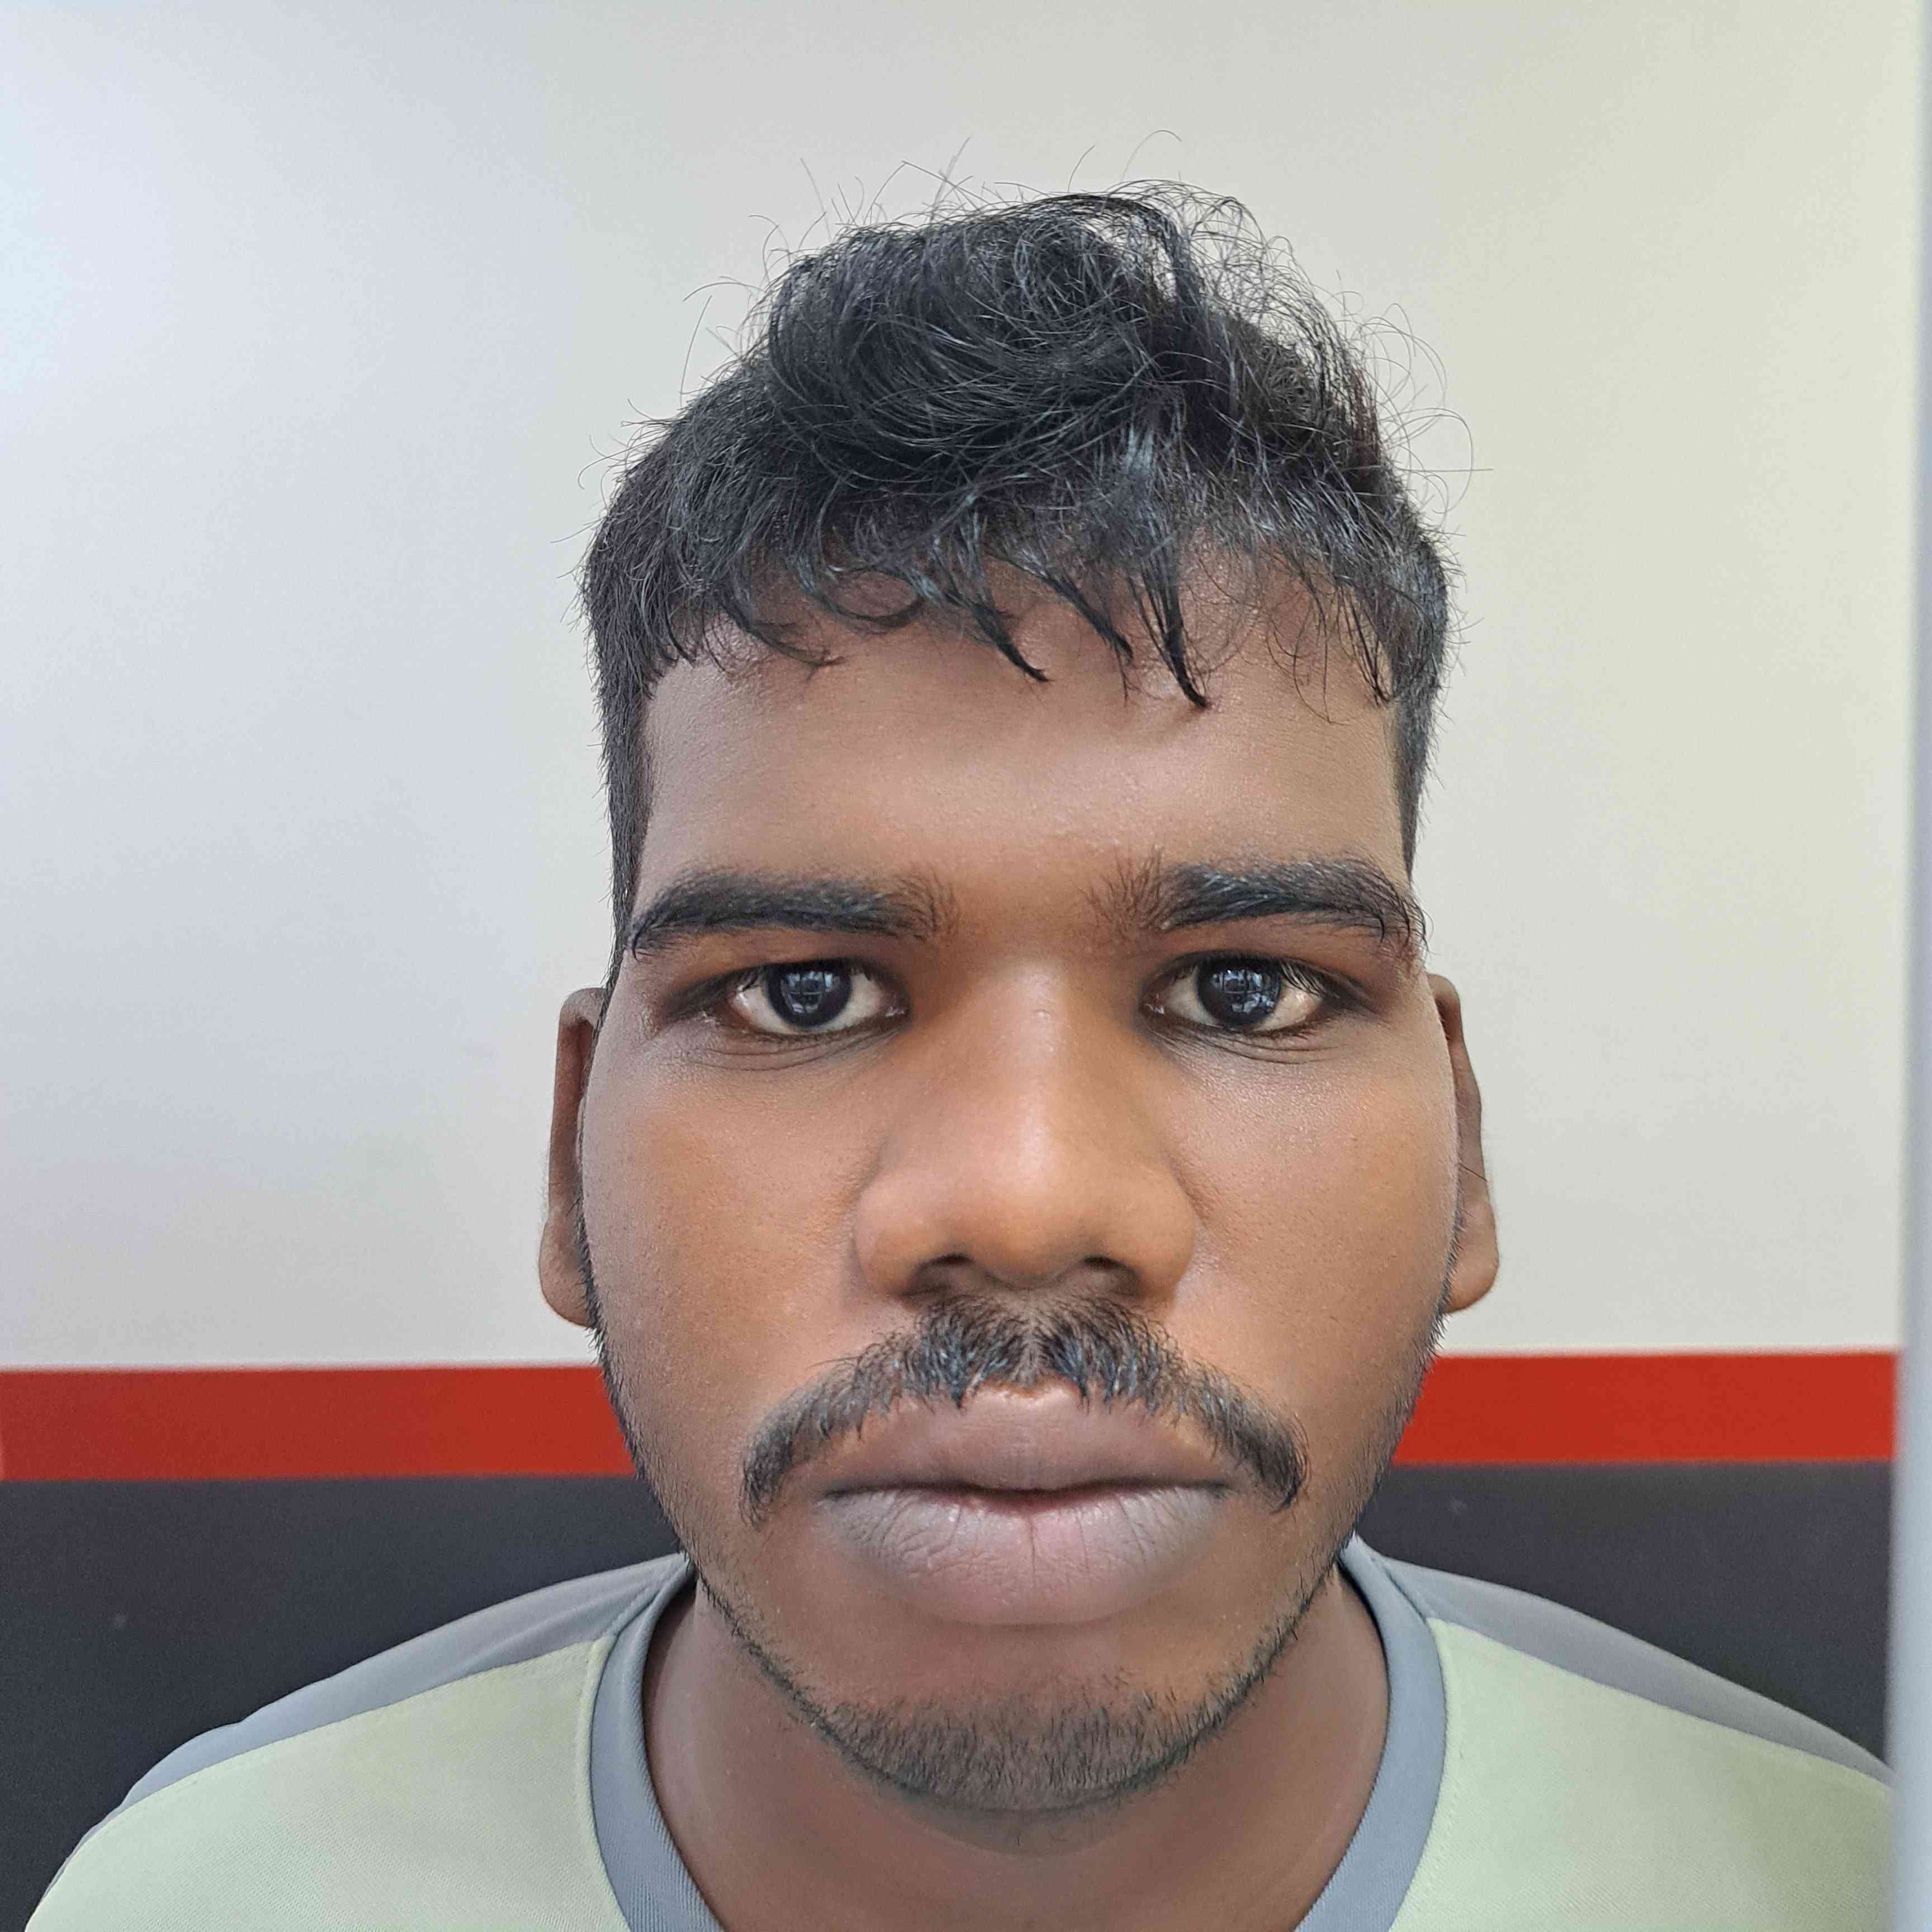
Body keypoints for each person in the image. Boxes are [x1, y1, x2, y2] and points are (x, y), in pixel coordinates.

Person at [31, 184, 1888, 1931]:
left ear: (1464, 1154)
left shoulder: (1841, 1884)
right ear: (569, 1162)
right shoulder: (192, 1900)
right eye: (802, 994)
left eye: (1247, 990)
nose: (1023, 1202)